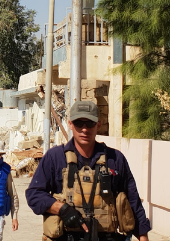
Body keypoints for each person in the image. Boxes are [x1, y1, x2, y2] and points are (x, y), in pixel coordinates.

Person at [26, 100, 152, 241]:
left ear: (98, 125)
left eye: (90, 123)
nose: (84, 129)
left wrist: (143, 236)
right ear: (70, 124)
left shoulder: (115, 159)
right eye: (79, 123)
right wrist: (62, 209)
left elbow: (133, 200)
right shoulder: (55, 157)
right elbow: (34, 195)